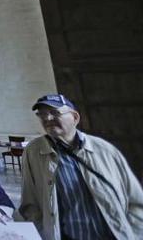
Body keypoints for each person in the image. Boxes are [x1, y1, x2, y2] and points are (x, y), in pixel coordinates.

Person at [19, 94, 143, 240]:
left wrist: (135, 235)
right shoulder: (34, 151)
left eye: (54, 112)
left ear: (75, 117)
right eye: (42, 114)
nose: (47, 119)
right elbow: (30, 204)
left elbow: (135, 201)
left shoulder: (104, 150)